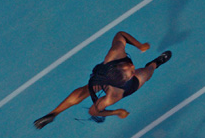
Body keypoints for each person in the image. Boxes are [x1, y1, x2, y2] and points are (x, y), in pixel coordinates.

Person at [33, 31, 171, 128]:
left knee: (86, 90)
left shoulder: (115, 53)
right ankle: (155, 63)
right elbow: (93, 111)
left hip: (102, 76)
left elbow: (121, 34)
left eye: (129, 65)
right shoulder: (114, 95)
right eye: (131, 71)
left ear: (118, 64)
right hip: (119, 86)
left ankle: (54, 112)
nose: (133, 66)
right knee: (146, 74)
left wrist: (139, 45)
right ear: (124, 81)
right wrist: (117, 112)